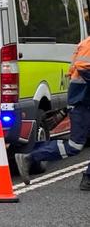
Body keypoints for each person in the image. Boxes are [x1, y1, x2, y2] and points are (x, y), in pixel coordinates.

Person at [15, 36, 90, 189]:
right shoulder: (88, 44)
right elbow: (83, 66)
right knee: (74, 146)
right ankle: (29, 157)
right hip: (82, 103)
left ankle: (88, 179)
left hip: (83, 102)